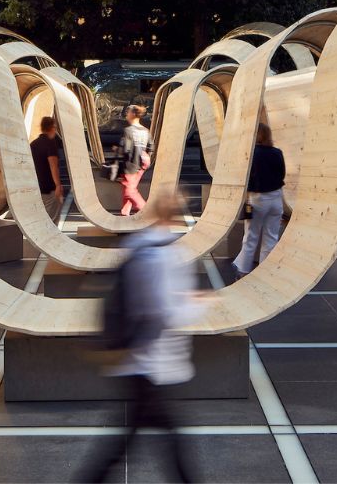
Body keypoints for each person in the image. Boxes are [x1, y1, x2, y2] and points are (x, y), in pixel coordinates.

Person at [80, 191, 206, 482]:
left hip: (136, 360)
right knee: (162, 439)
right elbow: (163, 312)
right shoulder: (167, 256)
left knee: (131, 438)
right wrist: (197, 304)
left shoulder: (138, 246)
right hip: (149, 362)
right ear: (175, 217)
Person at [234, 122, 285, 276]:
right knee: (271, 237)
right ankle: (264, 274)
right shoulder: (277, 152)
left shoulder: (252, 153)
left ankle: (243, 270)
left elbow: (246, 178)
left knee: (251, 237)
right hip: (276, 198)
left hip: (258, 199)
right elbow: (282, 174)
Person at [118, 105, 152, 215]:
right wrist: (146, 156)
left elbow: (126, 149)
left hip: (131, 163)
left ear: (133, 114)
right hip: (143, 162)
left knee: (129, 190)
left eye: (128, 112)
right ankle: (125, 212)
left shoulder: (128, 130)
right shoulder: (145, 130)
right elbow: (151, 146)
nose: (126, 114)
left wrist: (117, 149)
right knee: (130, 186)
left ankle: (146, 211)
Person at [30, 115, 65, 220]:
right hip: (49, 188)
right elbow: (53, 166)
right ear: (52, 128)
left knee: (40, 218)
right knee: (51, 220)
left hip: (37, 187)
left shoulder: (33, 144)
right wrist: (58, 185)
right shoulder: (50, 144)